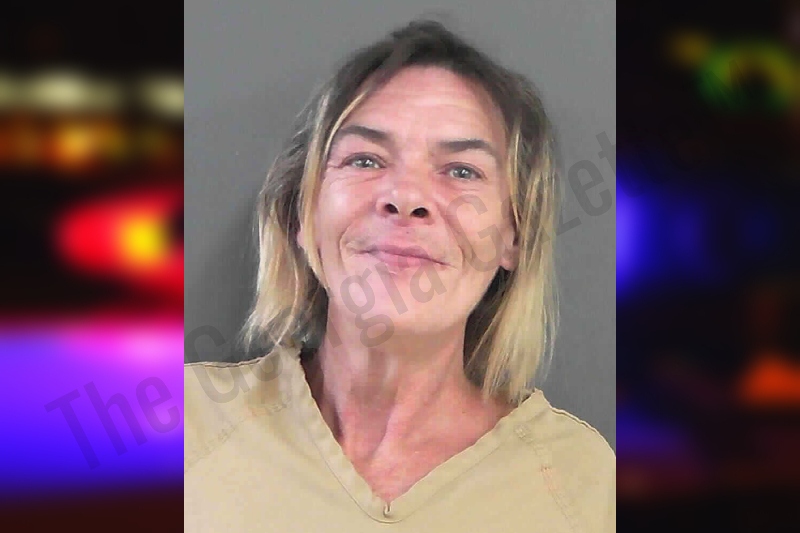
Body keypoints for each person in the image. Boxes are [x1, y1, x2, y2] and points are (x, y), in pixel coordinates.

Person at [184, 19, 615, 532]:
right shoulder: (180, 429)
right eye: (365, 160)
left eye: (462, 171)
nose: (406, 197)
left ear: (513, 236)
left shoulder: (585, 487)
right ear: (303, 214)